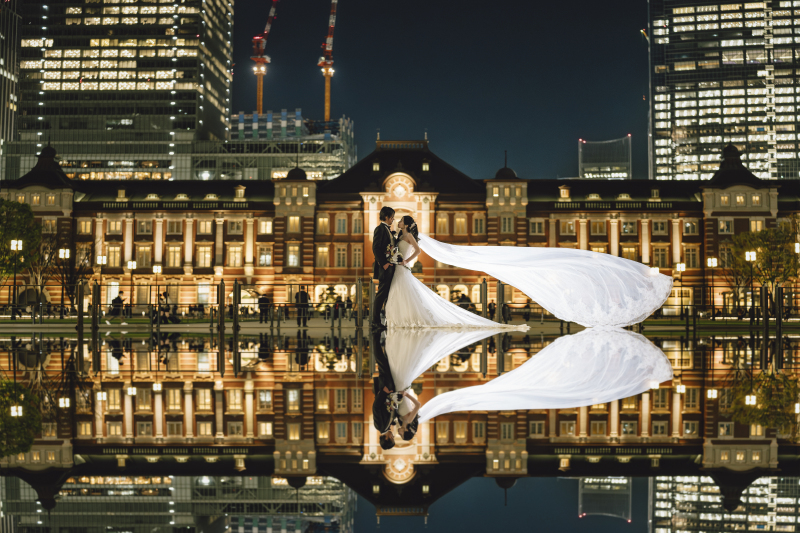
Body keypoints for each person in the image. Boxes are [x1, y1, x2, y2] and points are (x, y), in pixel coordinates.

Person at [383, 215, 527, 330]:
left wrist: (406, 261)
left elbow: (418, 251)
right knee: (399, 293)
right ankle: (398, 318)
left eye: (401, 221)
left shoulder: (409, 237)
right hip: (397, 268)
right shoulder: (399, 237)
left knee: (405, 294)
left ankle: (408, 319)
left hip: (402, 268)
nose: (399, 222)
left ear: (406, 225)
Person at [371, 329, 398, 450]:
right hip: (389, 389)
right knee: (387, 360)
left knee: (381, 361)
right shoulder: (387, 425)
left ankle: (374, 335)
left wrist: (384, 392)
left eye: (392, 438)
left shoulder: (380, 426)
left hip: (385, 388)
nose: (393, 436)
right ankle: (386, 335)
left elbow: (376, 407)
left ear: (386, 439)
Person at [371, 206, 396, 329]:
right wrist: (384, 264)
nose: (393, 220)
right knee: (381, 295)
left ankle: (384, 321)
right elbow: (375, 248)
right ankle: (375, 322)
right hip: (384, 268)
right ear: (386, 217)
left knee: (386, 295)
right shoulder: (379, 229)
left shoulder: (387, 230)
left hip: (389, 267)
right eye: (392, 217)